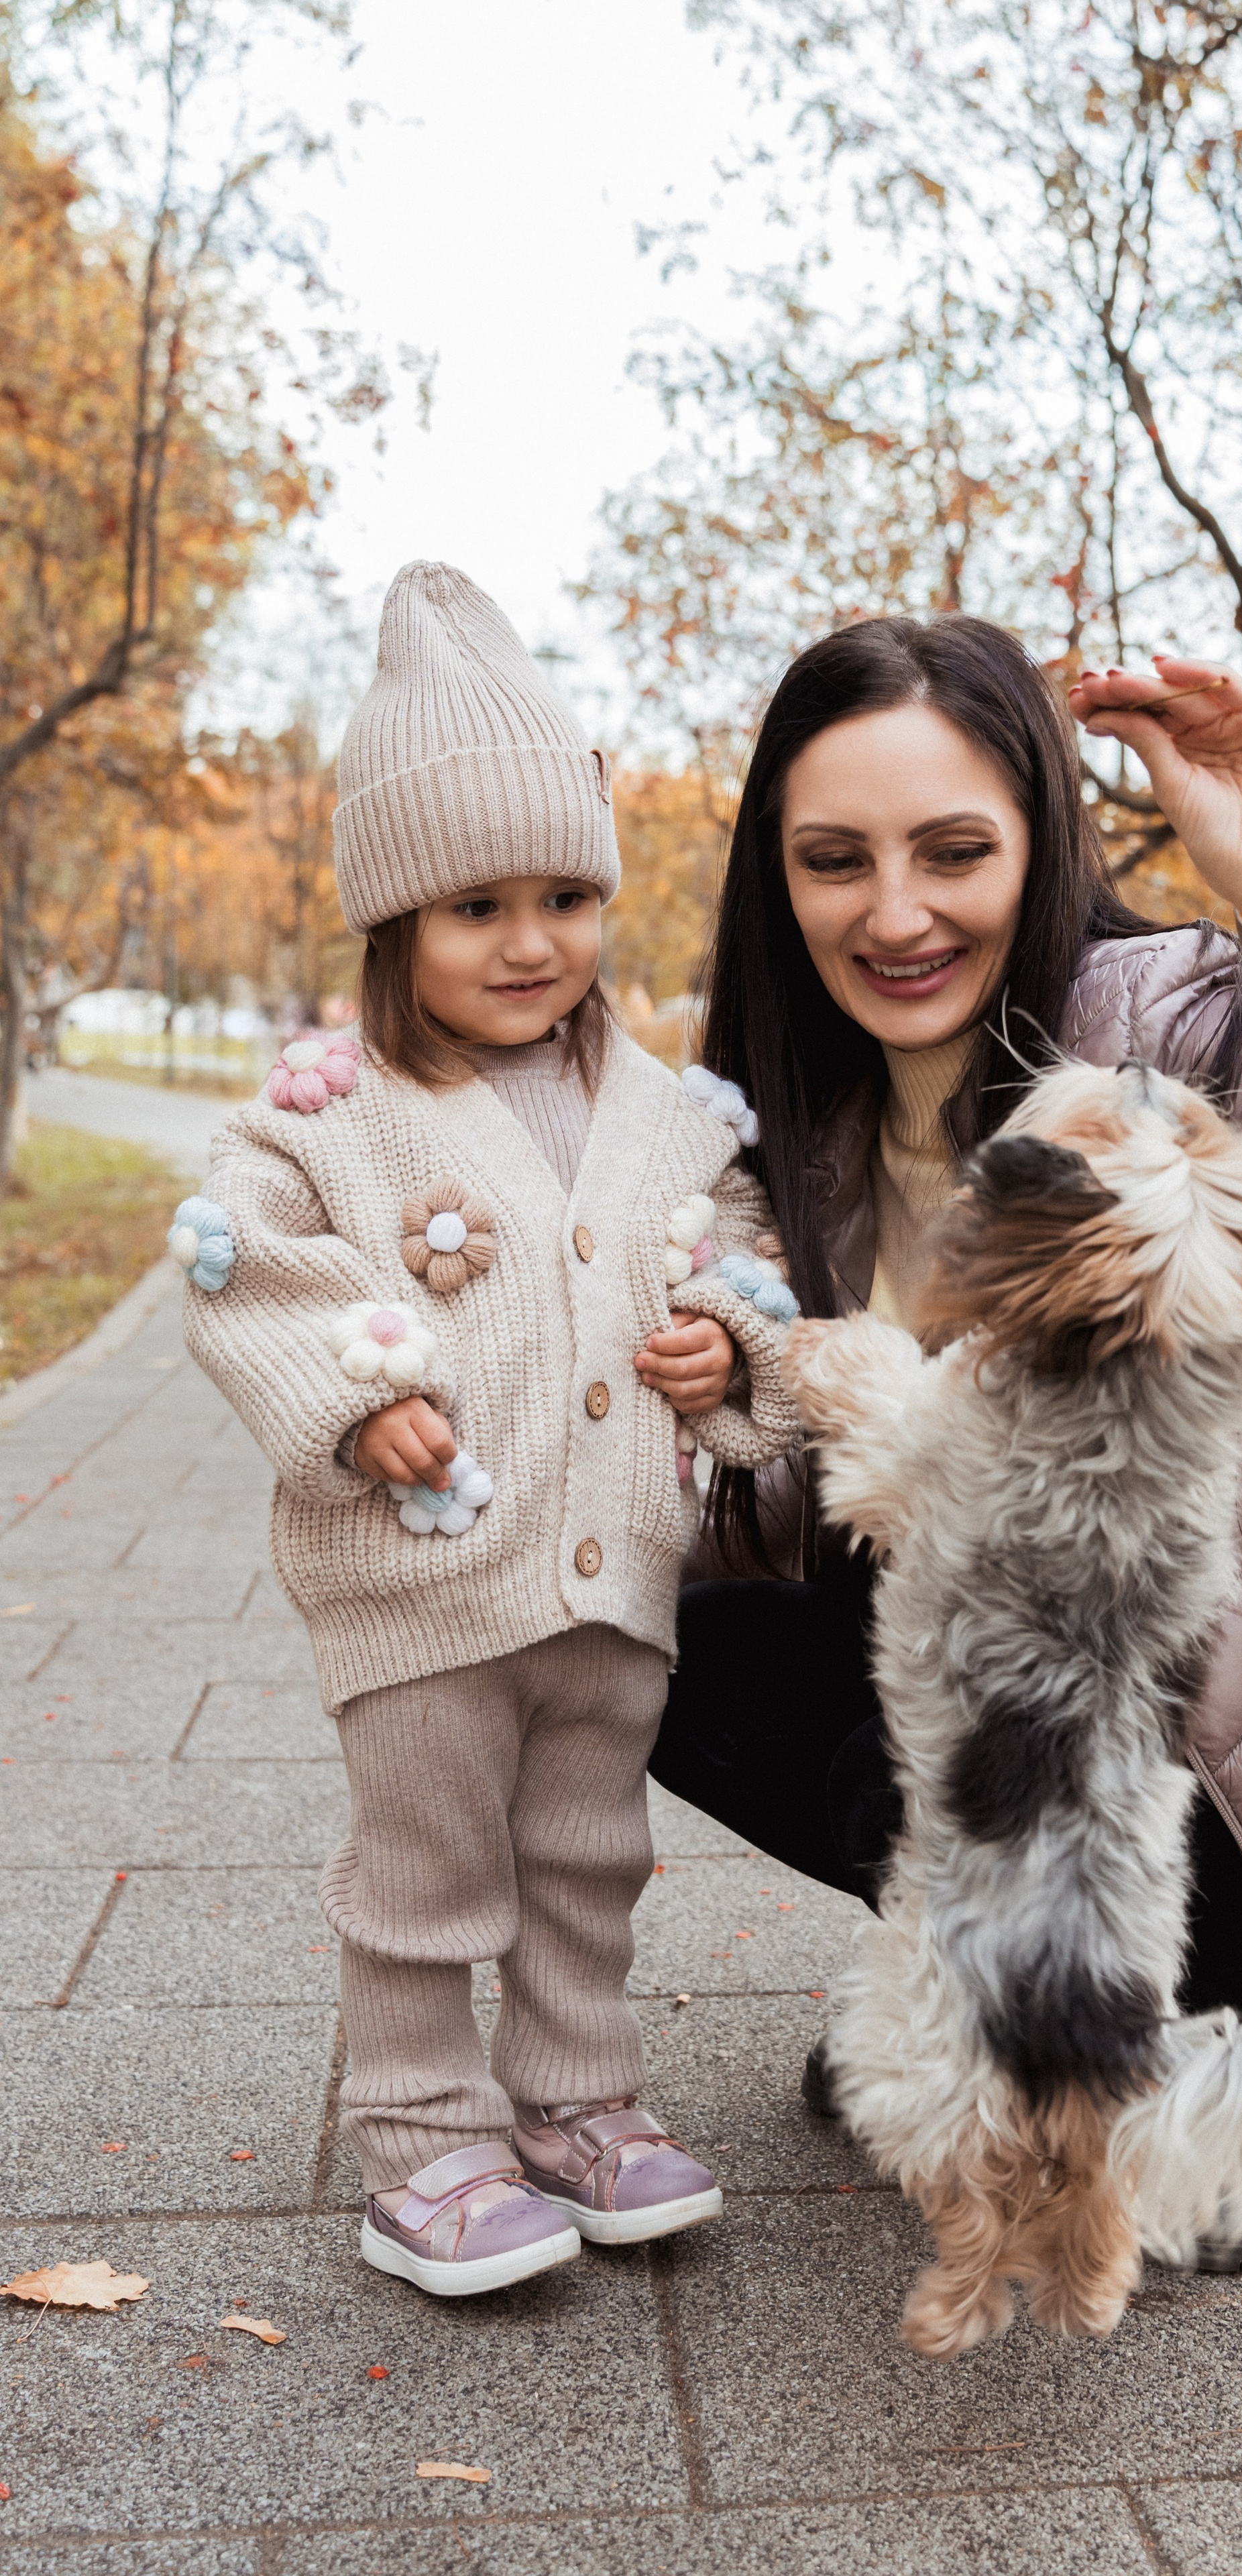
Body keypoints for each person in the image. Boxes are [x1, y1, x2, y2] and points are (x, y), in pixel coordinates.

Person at [649, 616, 1242, 2240]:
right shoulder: (769, 1125)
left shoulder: (1180, 1031)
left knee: (1004, 1621)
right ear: (774, 876)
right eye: (832, 860)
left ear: (1039, 838)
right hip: (1085, 1752)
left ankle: (1196, 2074)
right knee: (647, 1627)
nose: (894, 913)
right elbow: (797, 1516)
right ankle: (1051, 2020)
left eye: (954, 849)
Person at [181, 563, 801, 2298]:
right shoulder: (333, 1113)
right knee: (431, 1863)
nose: (530, 941)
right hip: (424, 1582)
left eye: (562, 896)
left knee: (588, 1852)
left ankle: (574, 2095)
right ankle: (421, 2131)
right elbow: (243, 1265)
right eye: (476, 906)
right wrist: (359, 1388)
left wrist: (727, 1355)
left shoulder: (671, 1114)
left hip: (618, 1580)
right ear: (397, 924)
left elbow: (744, 1256)